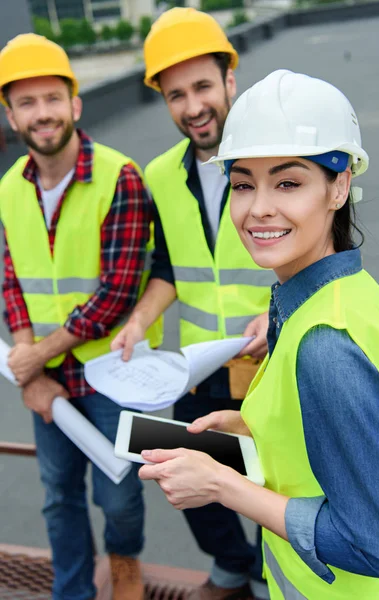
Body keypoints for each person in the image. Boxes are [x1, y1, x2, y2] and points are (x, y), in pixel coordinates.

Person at [137, 69, 379, 599]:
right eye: (242, 184)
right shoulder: (341, 291)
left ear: (340, 184)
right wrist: (256, 428)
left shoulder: (325, 344)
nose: (258, 208)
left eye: (288, 182)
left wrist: (222, 485)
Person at [112, 8, 272, 600]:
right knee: (169, 458)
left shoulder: (271, 161)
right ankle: (233, 564)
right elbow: (169, 268)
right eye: (176, 94)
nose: (192, 106)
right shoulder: (159, 173)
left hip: (271, 362)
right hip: (202, 367)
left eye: (203, 86)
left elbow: (317, 251)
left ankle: (264, 577)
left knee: (272, 478)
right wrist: (139, 320)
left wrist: (276, 310)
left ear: (231, 80)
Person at [0, 33, 161, 600]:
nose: (41, 113)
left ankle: (124, 562)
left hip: (112, 371)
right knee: (57, 491)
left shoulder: (121, 178)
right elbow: (13, 283)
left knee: (118, 494)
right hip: (48, 377)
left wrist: (32, 360)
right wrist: (32, 371)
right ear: (11, 114)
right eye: (26, 102)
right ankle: (72, 590)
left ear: (75, 104)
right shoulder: (7, 190)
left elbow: (117, 294)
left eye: (51, 98)